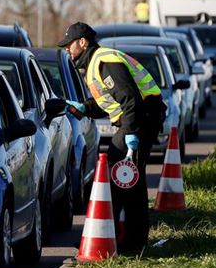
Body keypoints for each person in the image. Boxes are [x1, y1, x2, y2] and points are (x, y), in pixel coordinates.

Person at [57, 22, 166, 251]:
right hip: (139, 118)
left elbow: (130, 100)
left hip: (142, 118)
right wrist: (85, 108)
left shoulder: (104, 61)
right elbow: (111, 104)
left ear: (82, 42)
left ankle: (119, 242)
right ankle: (122, 241)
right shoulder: (95, 63)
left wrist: (132, 133)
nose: (67, 49)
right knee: (128, 181)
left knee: (122, 178)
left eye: (70, 44)